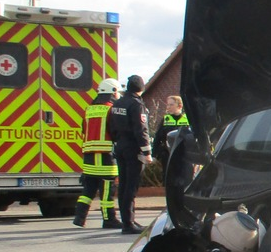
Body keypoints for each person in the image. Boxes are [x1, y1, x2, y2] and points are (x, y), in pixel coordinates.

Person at [73, 78, 123, 228]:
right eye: (118, 92)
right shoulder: (111, 109)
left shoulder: (89, 109)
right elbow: (115, 132)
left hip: (89, 155)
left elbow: (83, 129)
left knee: (88, 189)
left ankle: (79, 218)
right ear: (113, 92)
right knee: (107, 189)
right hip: (106, 155)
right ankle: (109, 219)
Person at [108, 74, 153, 234]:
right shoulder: (136, 105)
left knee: (123, 185)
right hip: (133, 148)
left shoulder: (117, 103)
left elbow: (111, 126)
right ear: (141, 88)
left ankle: (127, 220)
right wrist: (147, 152)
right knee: (131, 187)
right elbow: (141, 129)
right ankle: (129, 224)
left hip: (120, 146)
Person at [151, 95, 188, 164]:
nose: (168, 107)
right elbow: (157, 137)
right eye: (168, 105)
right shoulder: (166, 119)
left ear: (180, 106)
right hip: (167, 154)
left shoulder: (187, 119)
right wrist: (154, 155)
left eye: (171, 105)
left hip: (184, 155)